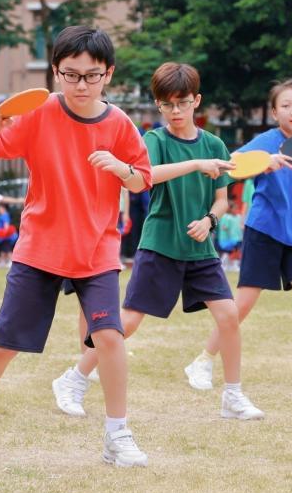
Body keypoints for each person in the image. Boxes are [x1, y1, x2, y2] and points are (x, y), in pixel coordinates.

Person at [0, 25, 152, 466]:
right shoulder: (39, 112)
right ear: (56, 72)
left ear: (108, 74)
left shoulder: (120, 125)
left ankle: (118, 434)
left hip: (97, 252)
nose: (80, 84)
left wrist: (119, 166)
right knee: (4, 340)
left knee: (108, 337)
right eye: (70, 74)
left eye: (91, 75)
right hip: (40, 248)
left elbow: (141, 178)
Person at [51, 62, 263, 421]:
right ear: (159, 105)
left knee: (228, 316)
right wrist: (197, 163)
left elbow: (223, 199)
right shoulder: (155, 140)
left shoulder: (214, 144)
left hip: (200, 249)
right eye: (166, 104)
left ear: (197, 101)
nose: (175, 111)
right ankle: (73, 379)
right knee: (127, 323)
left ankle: (233, 395)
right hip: (160, 244)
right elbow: (147, 177)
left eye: (182, 103)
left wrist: (210, 220)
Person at [185, 79, 292, 394]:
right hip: (264, 230)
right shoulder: (267, 141)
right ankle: (203, 360)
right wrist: (265, 163)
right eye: (285, 105)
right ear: (274, 111)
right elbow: (230, 165)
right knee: (242, 305)